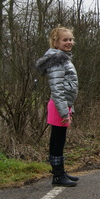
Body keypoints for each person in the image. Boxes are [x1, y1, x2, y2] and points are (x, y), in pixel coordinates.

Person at [35, 26, 79, 187]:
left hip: (62, 105)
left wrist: (69, 108)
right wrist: (63, 112)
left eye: (71, 39)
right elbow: (57, 88)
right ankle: (58, 175)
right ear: (55, 42)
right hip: (58, 105)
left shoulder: (62, 58)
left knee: (59, 138)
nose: (69, 42)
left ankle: (60, 171)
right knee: (58, 140)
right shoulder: (57, 60)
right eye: (65, 40)